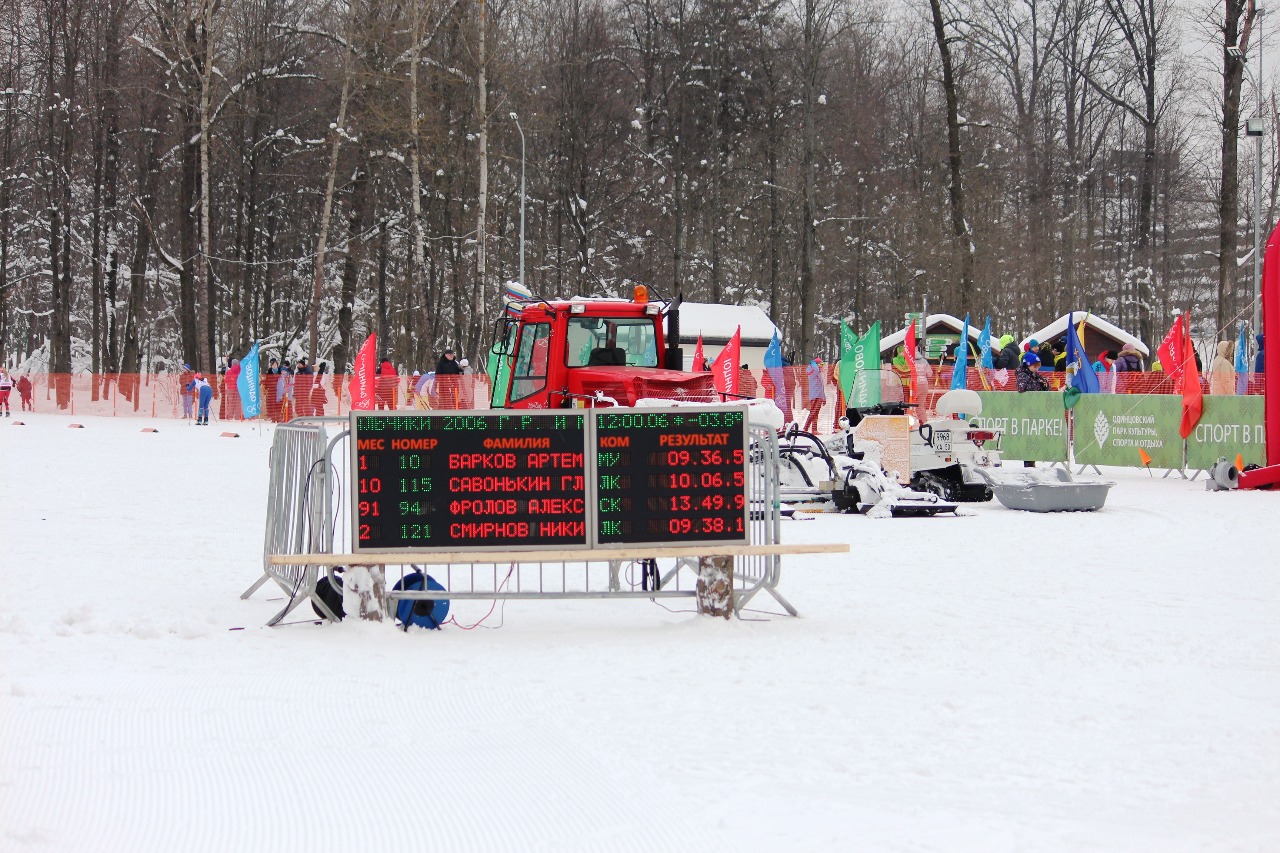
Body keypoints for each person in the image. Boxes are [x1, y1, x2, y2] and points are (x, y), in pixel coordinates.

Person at [802, 357, 827, 433]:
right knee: (813, 412)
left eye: (823, 364)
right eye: (821, 364)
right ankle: (805, 428)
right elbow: (816, 369)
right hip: (815, 395)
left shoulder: (818, 374)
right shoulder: (813, 372)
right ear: (816, 365)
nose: (822, 366)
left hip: (819, 395)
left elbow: (822, 387)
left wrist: (824, 397)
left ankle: (814, 430)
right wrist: (813, 362)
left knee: (816, 413)